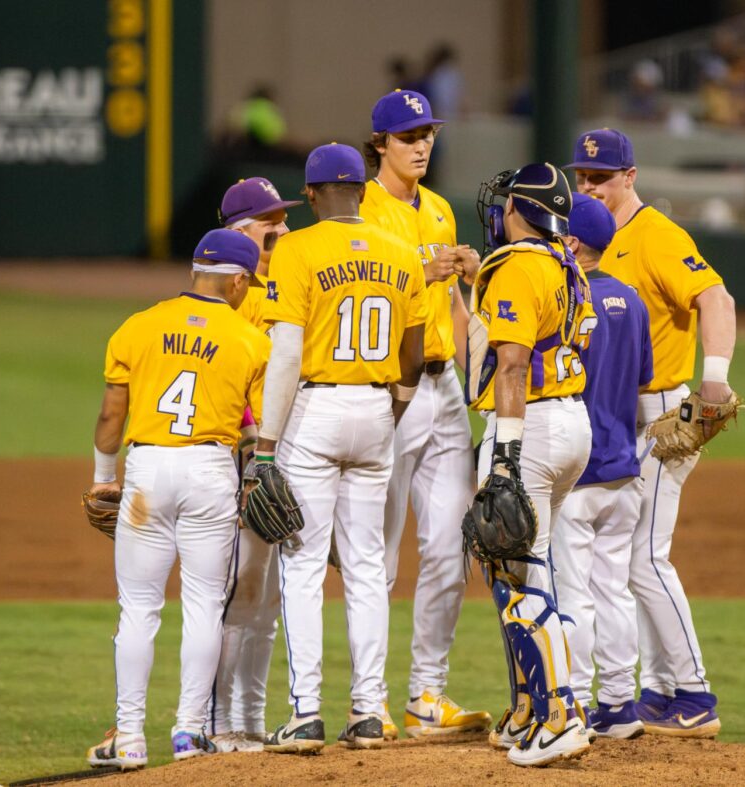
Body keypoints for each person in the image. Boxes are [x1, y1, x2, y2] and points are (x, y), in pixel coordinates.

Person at [565, 128, 737, 738]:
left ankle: (694, 691)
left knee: (643, 557)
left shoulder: (658, 235)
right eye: (582, 177)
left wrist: (713, 378)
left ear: (630, 176)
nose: (589, 187)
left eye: (601, 178)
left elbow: (716, 298)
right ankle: (662, 692)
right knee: (628, 562)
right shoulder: (584, 235)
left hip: (663, 415)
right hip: (617, 414)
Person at [256, 143, 428, 754]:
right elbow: (416, 351)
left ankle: (305, 712)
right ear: (360, 190)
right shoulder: (402, 252)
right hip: (377, 411)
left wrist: (267, 447)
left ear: (309, 194)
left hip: (315, 411)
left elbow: (283, 352)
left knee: (303, 565)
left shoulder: (299, 248)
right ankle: (368, 711)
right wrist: (396, 407)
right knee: (366, 568)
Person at [85, 229, 272, 769]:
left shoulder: (137, 326)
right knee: (204, 606)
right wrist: (260, 468)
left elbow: (109, 416)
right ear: (237, 280)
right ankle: (190, 732)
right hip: (209, 474)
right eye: (247, 283)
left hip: (146, 474)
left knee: (138, 609)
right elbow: (257, 431)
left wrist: (103, 476)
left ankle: (130, 737)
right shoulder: (249, 340)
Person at [359, 88, 489, 740]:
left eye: (428, 133)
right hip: (389, 393)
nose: (422, 144)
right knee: (377, 557)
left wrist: (466, 278)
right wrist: (421, 269)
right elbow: (363, 287)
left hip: (441, 393)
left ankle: (424, 695)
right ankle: (369, 700)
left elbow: (455, 314)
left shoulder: (439, 209)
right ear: (380, 143)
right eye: (409, 135)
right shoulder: (361, 208)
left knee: (446, 550)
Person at [468, 162, 595, 767]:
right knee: (527, 569)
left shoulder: (518, 266)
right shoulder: (563, 262)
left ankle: (562, 715)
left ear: (519, 208)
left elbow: (513, 365)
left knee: (520, 578)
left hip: (532, 428)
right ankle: (529, 708)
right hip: (572, 424)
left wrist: (504, 459)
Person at [550, 194, 653, 741]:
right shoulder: (632, 301)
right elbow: (641, 379)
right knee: (615, 590)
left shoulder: (567, 296)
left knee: (575, 595)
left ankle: (579, 704)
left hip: (578, 474)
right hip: (624, 469)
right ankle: (619, 703)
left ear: (570, 242)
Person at [206, 177, 301, 752]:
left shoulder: (282, 286)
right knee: (236, 590)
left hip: (282, 449)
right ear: (240, 232)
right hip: (240, 454)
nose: (284, 229)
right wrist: (249, 452)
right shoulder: (230, 296)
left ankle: (250, 719)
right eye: (272, 222)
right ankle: (215, 722)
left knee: (265, 597)